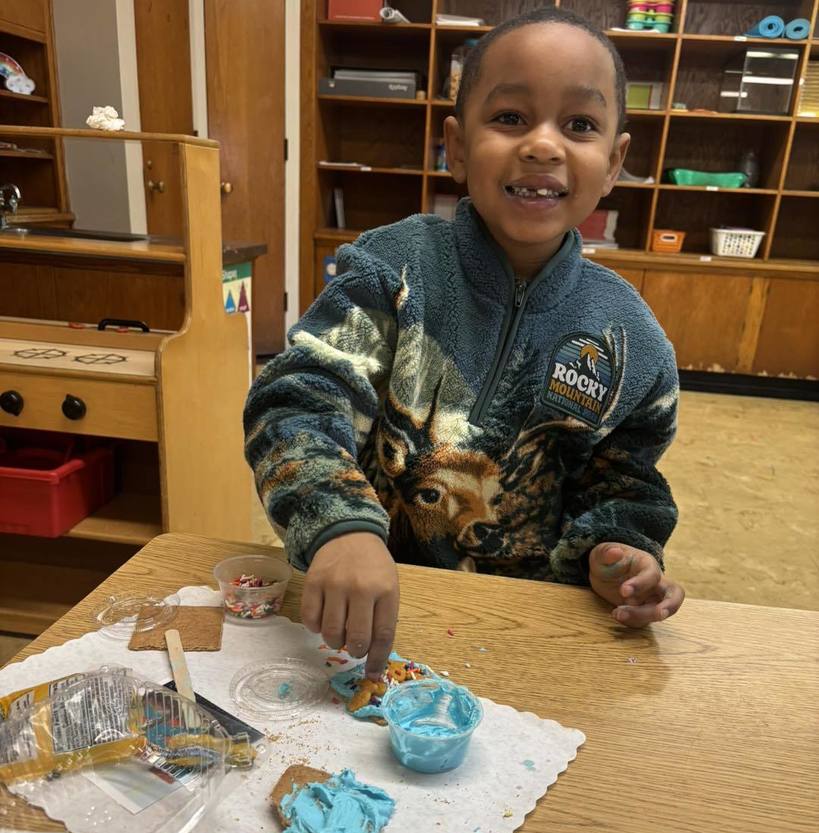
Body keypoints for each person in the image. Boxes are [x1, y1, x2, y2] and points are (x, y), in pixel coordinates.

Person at [244, 7, 685, 679]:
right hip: (360, 609)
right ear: (454, 146)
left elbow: (624, 479)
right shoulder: (389, 271)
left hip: (520, 627)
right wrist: (340, 526)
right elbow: (294, 403)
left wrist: (617, 552)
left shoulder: (630, 339)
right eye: (509, 118)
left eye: (579, 125)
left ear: (614, 160)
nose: (543, 145)